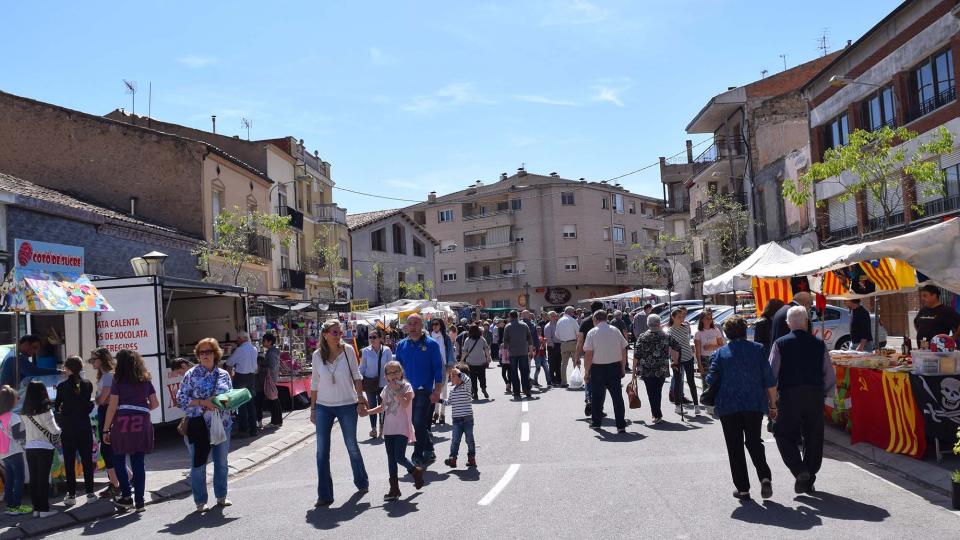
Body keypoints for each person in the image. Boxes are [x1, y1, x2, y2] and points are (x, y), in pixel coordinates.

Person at [707, 316, 777, 500]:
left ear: (727, 334)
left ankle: (743, 487)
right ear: (745, 332)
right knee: (754, 441)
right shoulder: (758, 349)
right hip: (754, 403)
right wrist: (773, 405)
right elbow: (769, 379)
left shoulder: (721, 353)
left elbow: (711, 379)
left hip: (728, 404)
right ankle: (764, 476)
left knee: (734, 445)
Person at [769, 306, 836, 495]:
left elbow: (771, 374)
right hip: (814, 393)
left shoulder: (780, 344)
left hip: (789, 394)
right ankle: (809, 477)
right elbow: (829, 375)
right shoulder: (819, 344)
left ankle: (800, 470)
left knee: (782, 433)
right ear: (806, 322)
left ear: (788, 323)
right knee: (813, 437)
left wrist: (771, 401)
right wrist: (825, 394)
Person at [309, 319, 369, 507]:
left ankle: (361, 481)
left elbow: (357, 377)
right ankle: (324, 495)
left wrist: (360, 399)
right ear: (325, 335)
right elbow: (314, 383)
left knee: (351, 445)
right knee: (321, 452)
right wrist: (312, 408)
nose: (338, 336)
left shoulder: (348, 350)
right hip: (323, 406)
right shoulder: (317, 355)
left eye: (340, 332)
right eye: (335, 332)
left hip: (347, 404)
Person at [177, 338, 234, 513]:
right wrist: (203, 402)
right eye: (201, 352)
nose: (205, 355)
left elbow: (230, 397)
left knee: (222, 462)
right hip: (198, 425)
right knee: (198, 464)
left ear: (215, 354)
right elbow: (180, 399)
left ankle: (221, 496)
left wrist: (221, 403)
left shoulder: (224, 374)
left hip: (222, 423)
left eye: (208, 351)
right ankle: (201, 501)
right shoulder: (191, 374)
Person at [102, 349, 159, 512]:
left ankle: (127, 497)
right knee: (138, 461)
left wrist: (105, 430)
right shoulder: (146, 380)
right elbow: (155, 404)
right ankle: (140, 502)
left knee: (118, 458)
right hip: (142, 423)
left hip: (122, 423)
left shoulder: (117, 381)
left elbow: (112, 407)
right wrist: (140, 408)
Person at [362, 360, 424, 501]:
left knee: (399, 456)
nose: (394, 375)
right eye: (390, 372)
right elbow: (383, 407)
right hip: (389, 428)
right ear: (386, 377)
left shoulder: (407, 387)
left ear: (401, 372)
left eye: (396, 371)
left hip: (402, 426)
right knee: (391, 459)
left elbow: (405, 403)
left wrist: (397, 390)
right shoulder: (386, 389)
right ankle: (394, 489)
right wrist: (368, 412)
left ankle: (415, 471)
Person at [395, 314, 444, 467]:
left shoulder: (432, 344)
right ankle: (429, 449)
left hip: (425, 390)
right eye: (410, 324)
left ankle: (417, 455)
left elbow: (438, 368)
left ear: (422, 325)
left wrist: (437, 391)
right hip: (407, 391)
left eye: (416, 323)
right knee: (416, 423)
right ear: (406, 326)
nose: (413, 327)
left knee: (418, 421)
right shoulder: (401, 345)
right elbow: (398, 369)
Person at [54, 356, 95, 506]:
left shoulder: (62, 386)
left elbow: (57, 406)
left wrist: (62, 414)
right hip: (84, 426)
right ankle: (90, 493)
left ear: (68, 369)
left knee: (70, 461)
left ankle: (71, 494)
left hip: (69, 428)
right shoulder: (87, 384)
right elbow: (88, 404)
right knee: (87, 460)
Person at [583, 310, 629, 432]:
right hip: (614, 367)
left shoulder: (592, 332)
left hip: (597, 368)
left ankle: (596, 422)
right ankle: (620, 424)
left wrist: (586, 372)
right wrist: (622, 367)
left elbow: (588, 354)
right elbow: (624, 349)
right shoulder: (615, 330)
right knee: (617, 397)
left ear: (595, 319)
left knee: (597, 397)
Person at [22, 380, 61, 518]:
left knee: (34, 478)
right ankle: (44, 509)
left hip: (30, 447)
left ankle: (37, 508)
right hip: (44, 447)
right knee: (43, 479)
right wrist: (61, 430)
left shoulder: (24, 412)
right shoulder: (46, 411)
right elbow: (54, 431)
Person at [634, 315, 681, 424]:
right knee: (658, 391)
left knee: (651, 392)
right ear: (659, 323)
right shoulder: (666, 336)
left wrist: (633, 372)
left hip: (647, 369)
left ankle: (656, 414)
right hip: (661, 368)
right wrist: (675, 361)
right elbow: (677, 346)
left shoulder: (642, 337)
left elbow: (637, 354)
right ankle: (657, 413)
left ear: (648, 323)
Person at [89, 348, 121, 499]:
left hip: (107, 412)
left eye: (93, 359)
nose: (91, 362)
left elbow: (102, 399)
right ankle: (120, 481)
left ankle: (116, 484)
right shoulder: (105, 376)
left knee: (107, 449)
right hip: (105, 411)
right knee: (108, 449)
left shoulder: (108, 376)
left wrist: (98, 398)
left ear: (101, 359)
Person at [1, 385, 30, 515]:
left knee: (9, 479)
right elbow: (18, 436)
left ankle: (9, 505)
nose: (18, 399)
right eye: (16, 398)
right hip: (15, 451)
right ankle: (16, 506)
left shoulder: (1, 417)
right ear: (11, 401)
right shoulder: (13, 417)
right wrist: (28, 433)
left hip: (3, 453)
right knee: (19, 478)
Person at [225, 331, 259, 438]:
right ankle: (254, 429)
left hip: (241, 378)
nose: (237, 340)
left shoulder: (240, 350)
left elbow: (229, 362)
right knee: (251, 404)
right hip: (251, 377)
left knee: (241, 404)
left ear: (242, 339)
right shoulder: (254, 349)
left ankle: (243, 429)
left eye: (238, 339)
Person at [360, 330, 392, 438]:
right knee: (372, 406)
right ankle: (373, 428)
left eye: (374, 337)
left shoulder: (386, 350)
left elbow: (390, 366)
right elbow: (362, 367)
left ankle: (382, 426)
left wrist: (391, 380)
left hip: (383, 383)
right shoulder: (365, 351)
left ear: (380, 338)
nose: (372, 339)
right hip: (370, 382)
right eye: (370, 337)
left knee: (382, 406)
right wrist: (358, 380)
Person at [667, 308, 699, 415]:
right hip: (677, 359)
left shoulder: (686, 327)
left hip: (688, 357)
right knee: (678, 382)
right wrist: (674, 360)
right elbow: (670, 348)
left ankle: (696, 405)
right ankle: (677, 406)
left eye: (682, 317)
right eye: (679, 317)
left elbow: (688, 341)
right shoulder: (669, 331)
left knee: (691, 381)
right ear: (673, 317)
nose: (682, 319)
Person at [444, 367, 477, 468]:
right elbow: (448, 402)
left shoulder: (466, 387)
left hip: (467, 419)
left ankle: (471, 458)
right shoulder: (452, 391)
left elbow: (468, 379)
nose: (451, 378)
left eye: (453, 376)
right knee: (455, 440)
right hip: (456, 420)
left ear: (460, 377)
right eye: (450, 376)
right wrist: (438, 400)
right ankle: (452, 458)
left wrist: (458, 372)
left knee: (469, 439)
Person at [577, 301, 605, 416]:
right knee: (601, 383)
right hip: (602, 355)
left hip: (588, 354)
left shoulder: (584, 322)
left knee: (588, 378)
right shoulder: (604, 322)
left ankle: (588, 399)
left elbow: (580, 340)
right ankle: (599, 408)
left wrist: (576, 356)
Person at [429, 318, 456, 425]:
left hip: (444, 367)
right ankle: (435, 412)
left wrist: (450, 366)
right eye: (433, 324)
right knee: (434, 390)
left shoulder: (445, 337)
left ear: (441, 325)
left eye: (437, 324)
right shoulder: (428, 337)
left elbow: (450, 352)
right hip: (431, 367)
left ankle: (442, 414)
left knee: (444, 390)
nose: (435, 326)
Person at [503, 311, 534, 400]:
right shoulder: (524, 325)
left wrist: (505, 354)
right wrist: (531, 351)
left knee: (514, 373)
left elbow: (505, 342)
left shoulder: (508, 326)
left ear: (510, 316)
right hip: (523, 352)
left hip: (512, 353)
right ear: (518, 316)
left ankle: (516, 392)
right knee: (524, 371)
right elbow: (529, 339)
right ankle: (526, 390)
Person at [460, 324, 492, 400]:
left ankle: (475, 393)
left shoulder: (467, 340)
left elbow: (464, 351)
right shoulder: (482, 339)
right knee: (482, 377)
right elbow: (486, 349)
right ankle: (483, 388)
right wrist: (488, 357)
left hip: (471, 362)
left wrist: (461, 360)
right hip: (481, 361)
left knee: (473, 379)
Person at [259, 334, 283, 428]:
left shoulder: (272, 353)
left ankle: (276, 421)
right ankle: (277, 421)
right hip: (272, 378)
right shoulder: (272, 351)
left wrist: (263, 367)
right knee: (274, 400)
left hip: (270, 379)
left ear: (269, 342)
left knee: (273, 400)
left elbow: (272, 367)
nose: (263, 342)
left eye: (264, 340)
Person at [694, 309, 726, 378]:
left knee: (717, 380)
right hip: (704, 359)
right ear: (702, 320)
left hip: (715, 358)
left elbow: (721, 345)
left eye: (710, 318)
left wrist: (711, 347)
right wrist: (699, 364)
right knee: (706, 382)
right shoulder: (698, 333)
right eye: (707, 318)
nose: (709, 320)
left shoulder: (716, 330)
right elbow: (698, 351)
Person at [555, 307, 580, 387]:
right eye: (573, 312)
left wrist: (563, 339)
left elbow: (557, 334)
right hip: (573, 342)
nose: (573, 313)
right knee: (576, 362)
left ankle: (563, 382)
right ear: (570, 312)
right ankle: (577, 381)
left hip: (563, 343)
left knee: (564, 364)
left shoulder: (559, 321)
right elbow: (578, 332)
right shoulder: (572, 320)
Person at [543, 311, 561, 386]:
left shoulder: (558, 324)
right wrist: (552, 345)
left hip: (559, 345)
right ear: (549, 317)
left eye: (555, 315)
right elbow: (548, 337)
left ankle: (558, 379)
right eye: (553, 316)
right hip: (552, 346)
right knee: (552, 364)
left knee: (558, 363)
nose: (555, 317)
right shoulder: (548, 326)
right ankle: (552, 380)